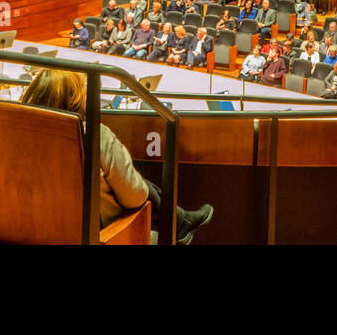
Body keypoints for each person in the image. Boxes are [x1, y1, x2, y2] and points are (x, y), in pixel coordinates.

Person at [19, 70, 213, 243]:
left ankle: (180, 220)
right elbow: (135, 198)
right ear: (76, 99)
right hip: (97, 235)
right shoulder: (94, 134)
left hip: (24, 229)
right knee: (142, 192)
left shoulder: (11, 133)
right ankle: (179, 222)